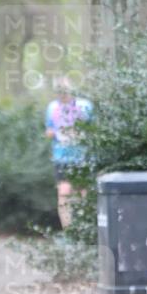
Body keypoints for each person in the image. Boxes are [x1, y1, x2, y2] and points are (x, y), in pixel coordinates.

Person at [45, 77, 93, 228]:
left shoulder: (85, 106)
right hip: (62, 158)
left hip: (82, 157)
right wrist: (55, 133)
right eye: (59, 91)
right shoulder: (52, 107)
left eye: (65, 91)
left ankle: (84, 228)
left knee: (82, 194)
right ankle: (69, 231)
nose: (63, 94)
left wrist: (79, 133)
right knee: (64, 193)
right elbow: (49, 130)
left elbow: (94, 130)